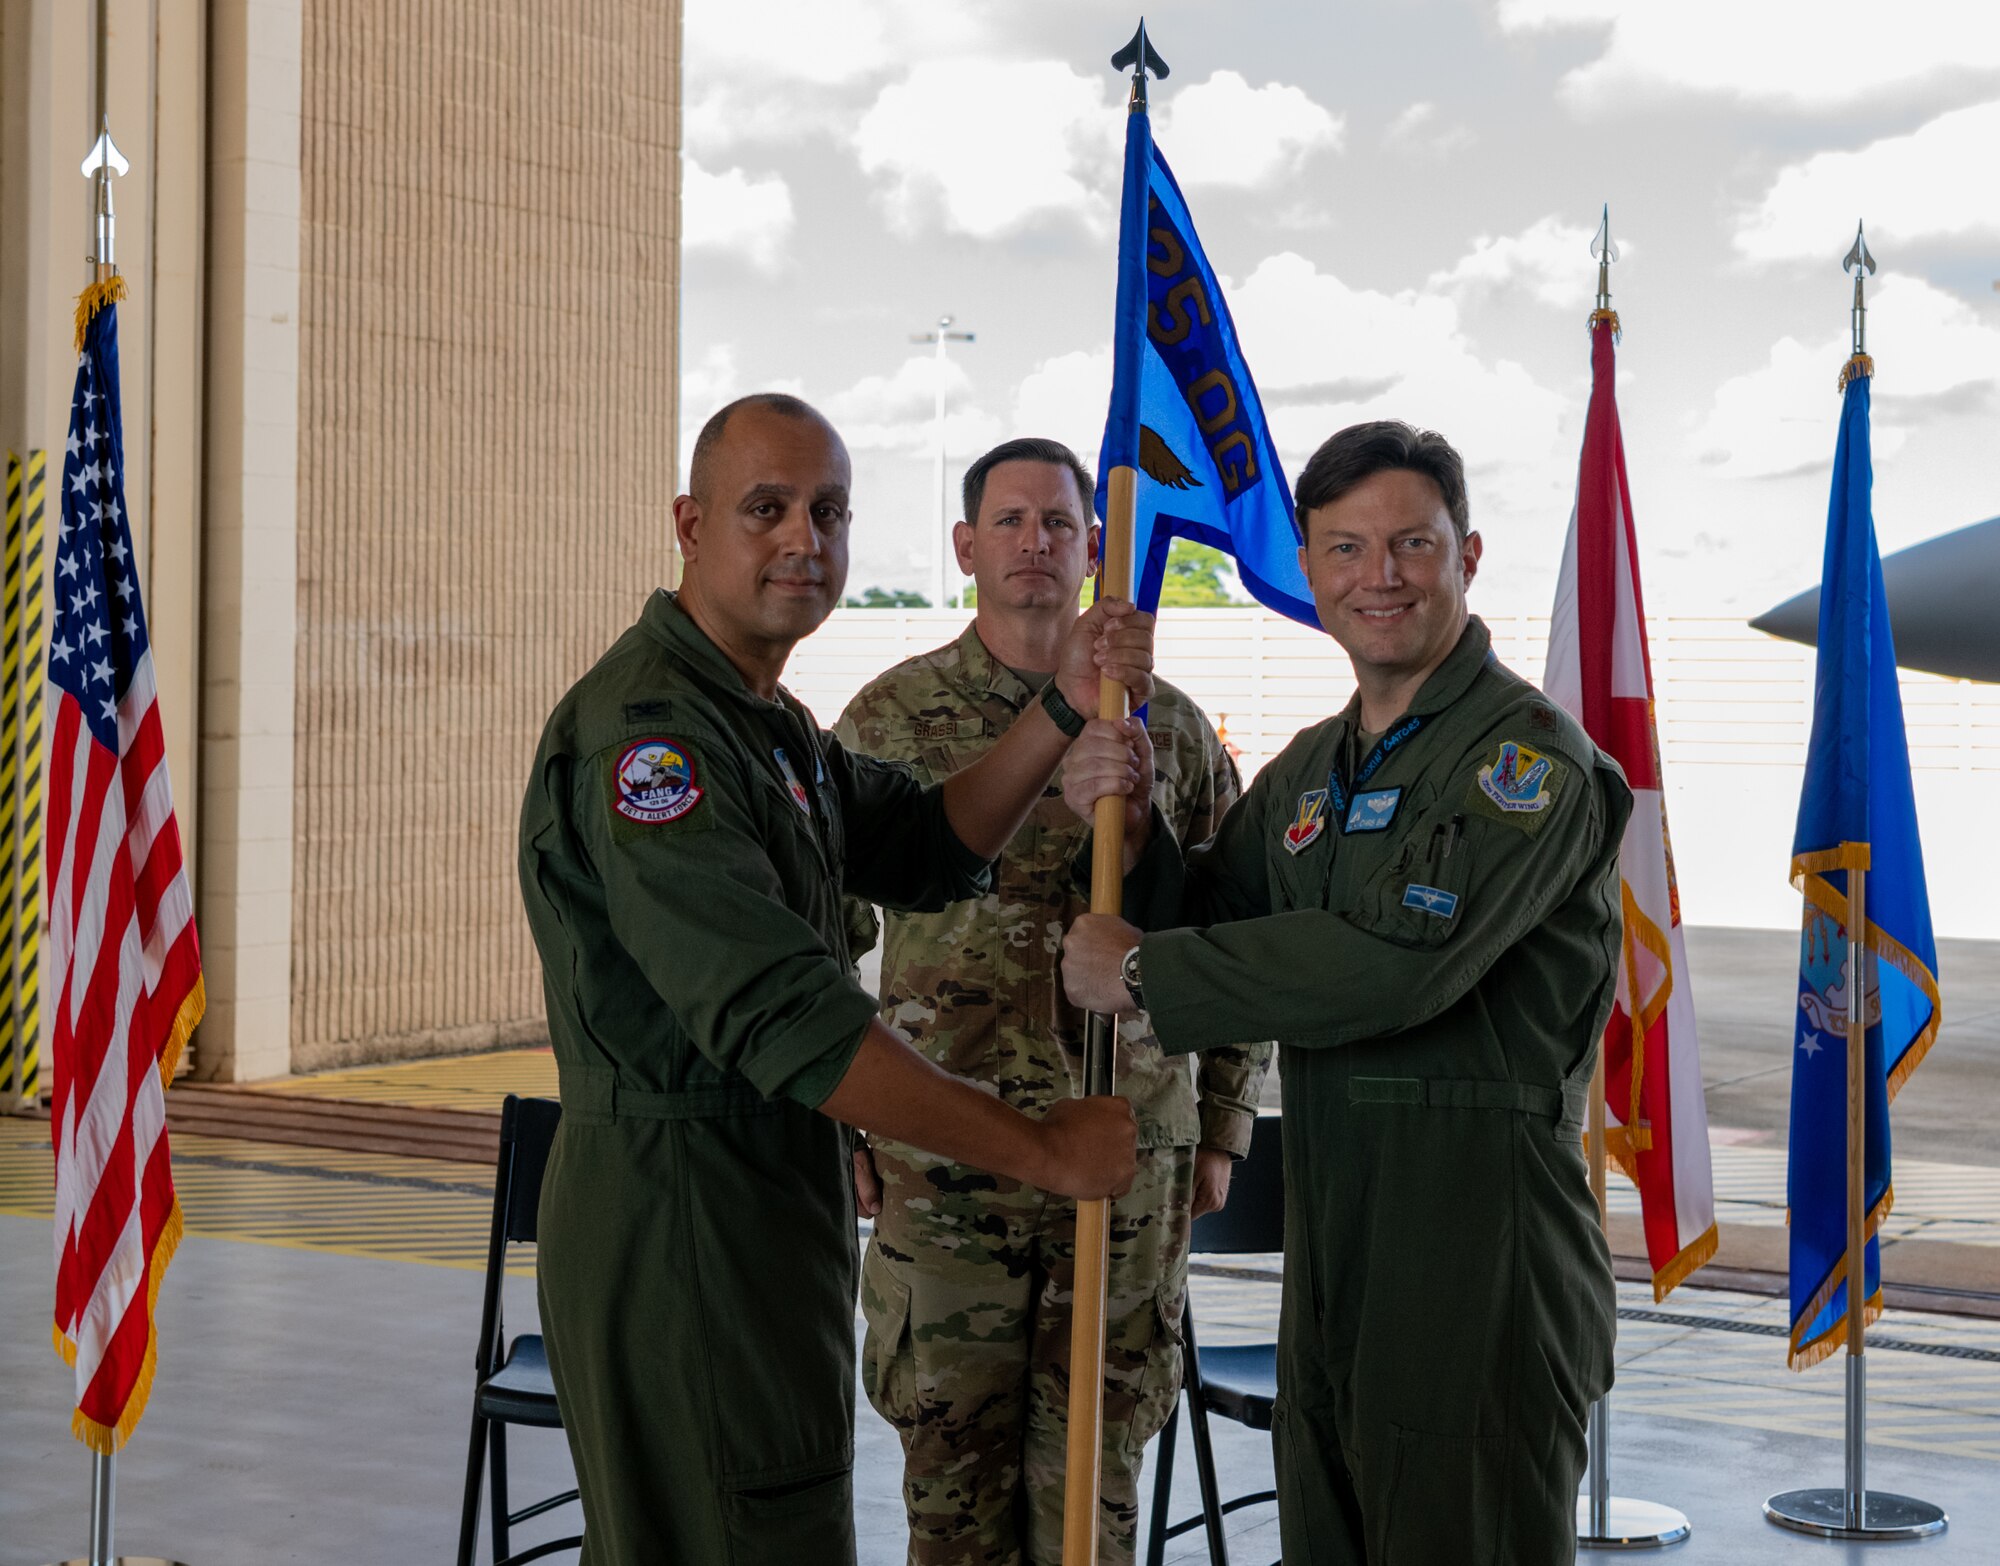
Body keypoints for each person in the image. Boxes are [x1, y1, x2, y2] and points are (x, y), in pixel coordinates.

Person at [517, 394, 1153, 1566]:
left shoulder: (763, 722)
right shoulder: (657, 742)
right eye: (765, 510)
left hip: (759, 1202)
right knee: (737, 1531)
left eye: (829, 511)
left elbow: (919, 842)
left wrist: (1061, 703)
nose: (803, 540)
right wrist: (1042, 1153)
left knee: (770, 1520)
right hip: (685, 1214)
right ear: (689, 524)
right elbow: (783, 1016)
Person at [1060, 421, 1632, 1565]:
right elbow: (1215, 915)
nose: (1379, 577)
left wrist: (1139, 974)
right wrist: (1122, 817)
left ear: (1465, 555)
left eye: (1409, 544)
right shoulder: (1315, 769)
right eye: (1344, 549)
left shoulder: (1524, 762)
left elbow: (1396, 961)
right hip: (1335, 1250)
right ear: (1311, 573)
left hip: (1474, 1249)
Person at [834, 437, 1271, 1566]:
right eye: (1012, 521)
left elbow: (1233, 940)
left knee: (1093, 1493)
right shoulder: (889, 719)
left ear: (1092, 549)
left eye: (1060, 523)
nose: (1036, 542)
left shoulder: (1168, 726)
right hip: (947, 1161)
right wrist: (835, 1124)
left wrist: (1219, 1131)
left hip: (1126, 1162)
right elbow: (815, 941)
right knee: (952, 1486)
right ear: (966, 545)